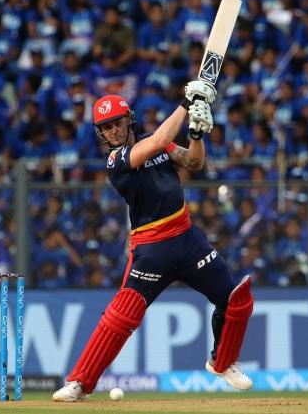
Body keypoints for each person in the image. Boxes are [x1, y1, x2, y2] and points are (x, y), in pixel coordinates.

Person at [52, 80, 254, 402]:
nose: (113, 132)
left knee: (236, 300)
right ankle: (79, 382)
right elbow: (160, 139)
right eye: (106, 128)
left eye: (117, 123)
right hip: (152, 249)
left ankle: (223, 361)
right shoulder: (115, 160)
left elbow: (194, 162)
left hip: (188, 240)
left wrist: (197, 134)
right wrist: (187, 103)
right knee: (122, 316)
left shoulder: (154, 142)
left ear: (129, 120)